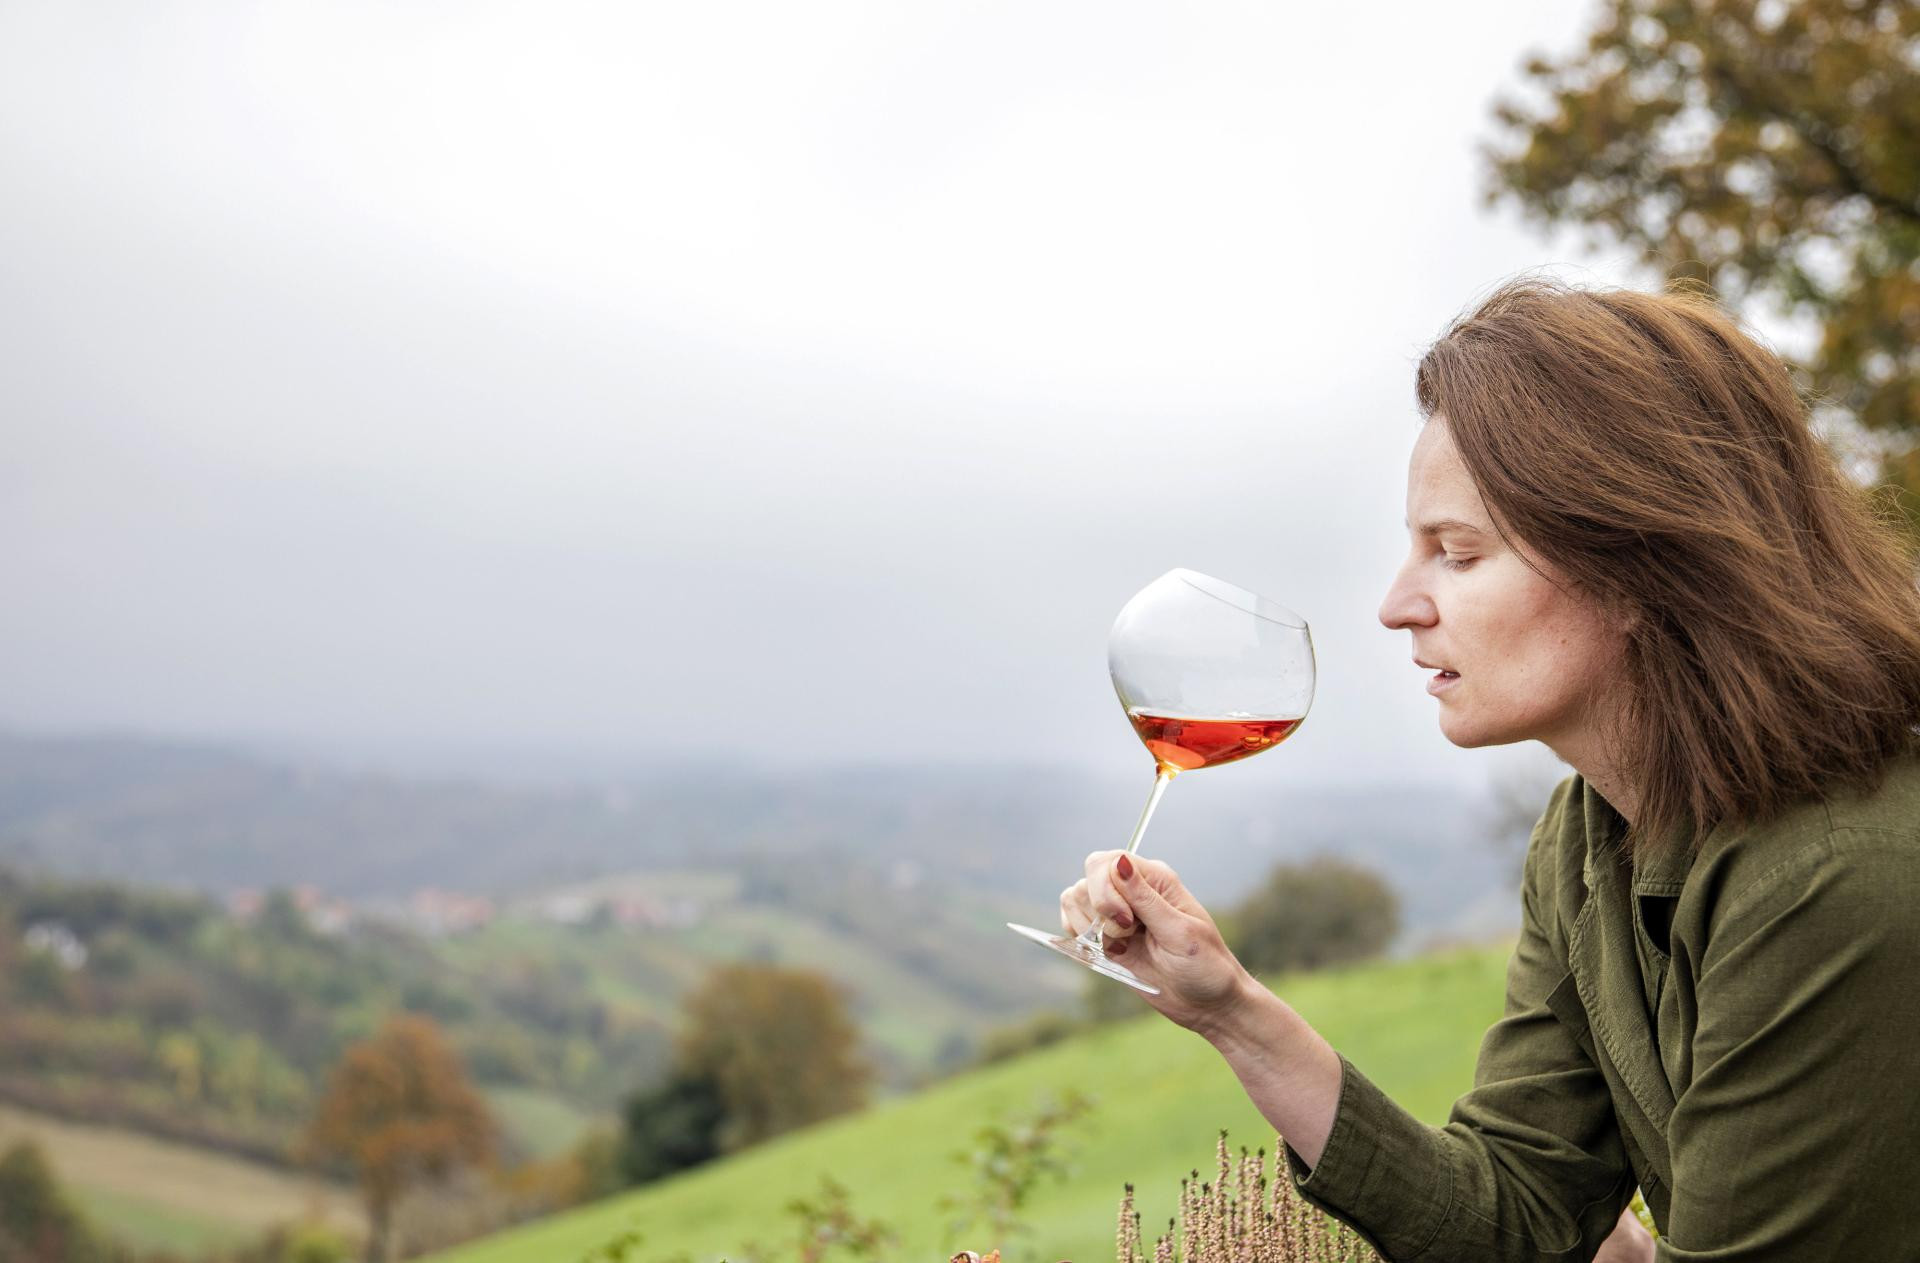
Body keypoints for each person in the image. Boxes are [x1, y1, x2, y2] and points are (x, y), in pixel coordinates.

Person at [1061, 278, 1920, 1261]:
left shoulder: (1842, 874)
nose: (1397, 605)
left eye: (1457, 554)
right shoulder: (1589, 836)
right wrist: (1232, 1013)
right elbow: (1517, 1212)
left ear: (1637, 568)